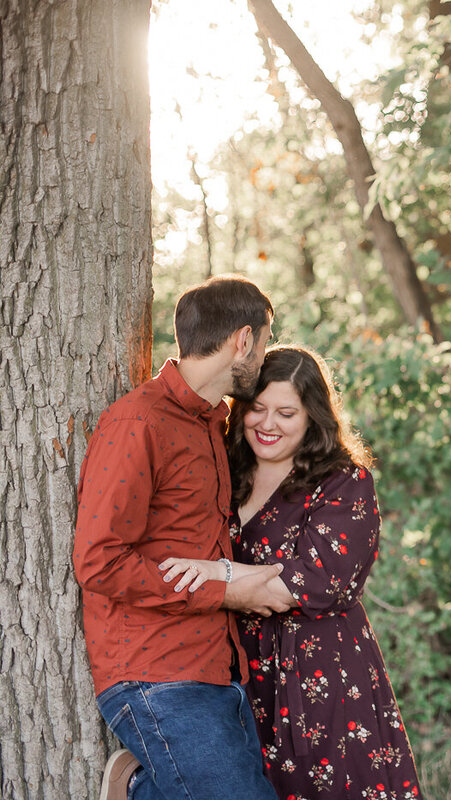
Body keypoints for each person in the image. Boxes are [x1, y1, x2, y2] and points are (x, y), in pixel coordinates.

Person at [159, 345, 422, 800]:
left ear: (312, 417)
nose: (268, 424)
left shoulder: (344, 483)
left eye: (286, 412)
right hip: (236, 669)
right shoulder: (225, 467)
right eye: (257, 409)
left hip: (320, 675)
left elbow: (301, 586)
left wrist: (214, 572)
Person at [73, 275, 294, 800]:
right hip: (156, 675)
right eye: (263, 344)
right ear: (243, 340)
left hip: (217, 670)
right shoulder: (139, 421)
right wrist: (226, 590)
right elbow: (99, 562)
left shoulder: (210, 427)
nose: (263, 358)